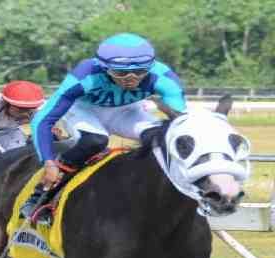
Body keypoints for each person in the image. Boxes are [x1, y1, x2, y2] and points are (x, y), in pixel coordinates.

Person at [23, 32, 186, 225]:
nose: (130, 79)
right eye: (121, 73)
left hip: (126, 112)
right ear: (103, 68)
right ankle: (41, 195)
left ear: (150, 67)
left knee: (160, 137)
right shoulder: (85, 75)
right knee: (96, 141)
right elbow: (43, 120)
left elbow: (182, 126)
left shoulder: (164, 78)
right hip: (84, 110)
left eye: (140, 72)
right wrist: (48, 163)